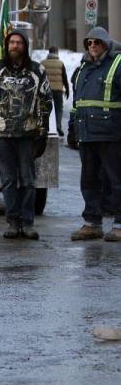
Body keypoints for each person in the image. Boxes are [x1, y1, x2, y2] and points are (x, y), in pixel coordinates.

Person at [0, 31, 53, 240]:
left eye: (19, 43)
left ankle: (28, 223)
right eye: (12, 42)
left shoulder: (37, 71)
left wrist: (43, 134)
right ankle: (13, 222)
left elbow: (46, 103)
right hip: (2, 136)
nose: (15, 46)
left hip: (28, 136)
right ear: (6, 45)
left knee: (29, 181)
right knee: (9, 182)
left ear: (25, 46)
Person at [69, 26, 121, 242]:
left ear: (106, 44)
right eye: (89, 43)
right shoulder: (82, 69)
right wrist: (72, 128)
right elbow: (77, 102)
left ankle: (119, 224)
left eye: (97, 43)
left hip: (111, 134)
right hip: (87, 133)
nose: (93, 47)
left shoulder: (117, 65)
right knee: (89, 180)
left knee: (115, 180)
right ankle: (92, 223)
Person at [41, 46, 70, 136]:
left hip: (46, 90)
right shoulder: (60, 63)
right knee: (58, 109)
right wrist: (67, 90)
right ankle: (58, 125)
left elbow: (40, 77)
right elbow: (64, 78)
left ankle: (46, 127)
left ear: (49, 52)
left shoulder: (43, 63)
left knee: (46, 109)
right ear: (56, 52)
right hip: (58, 90)